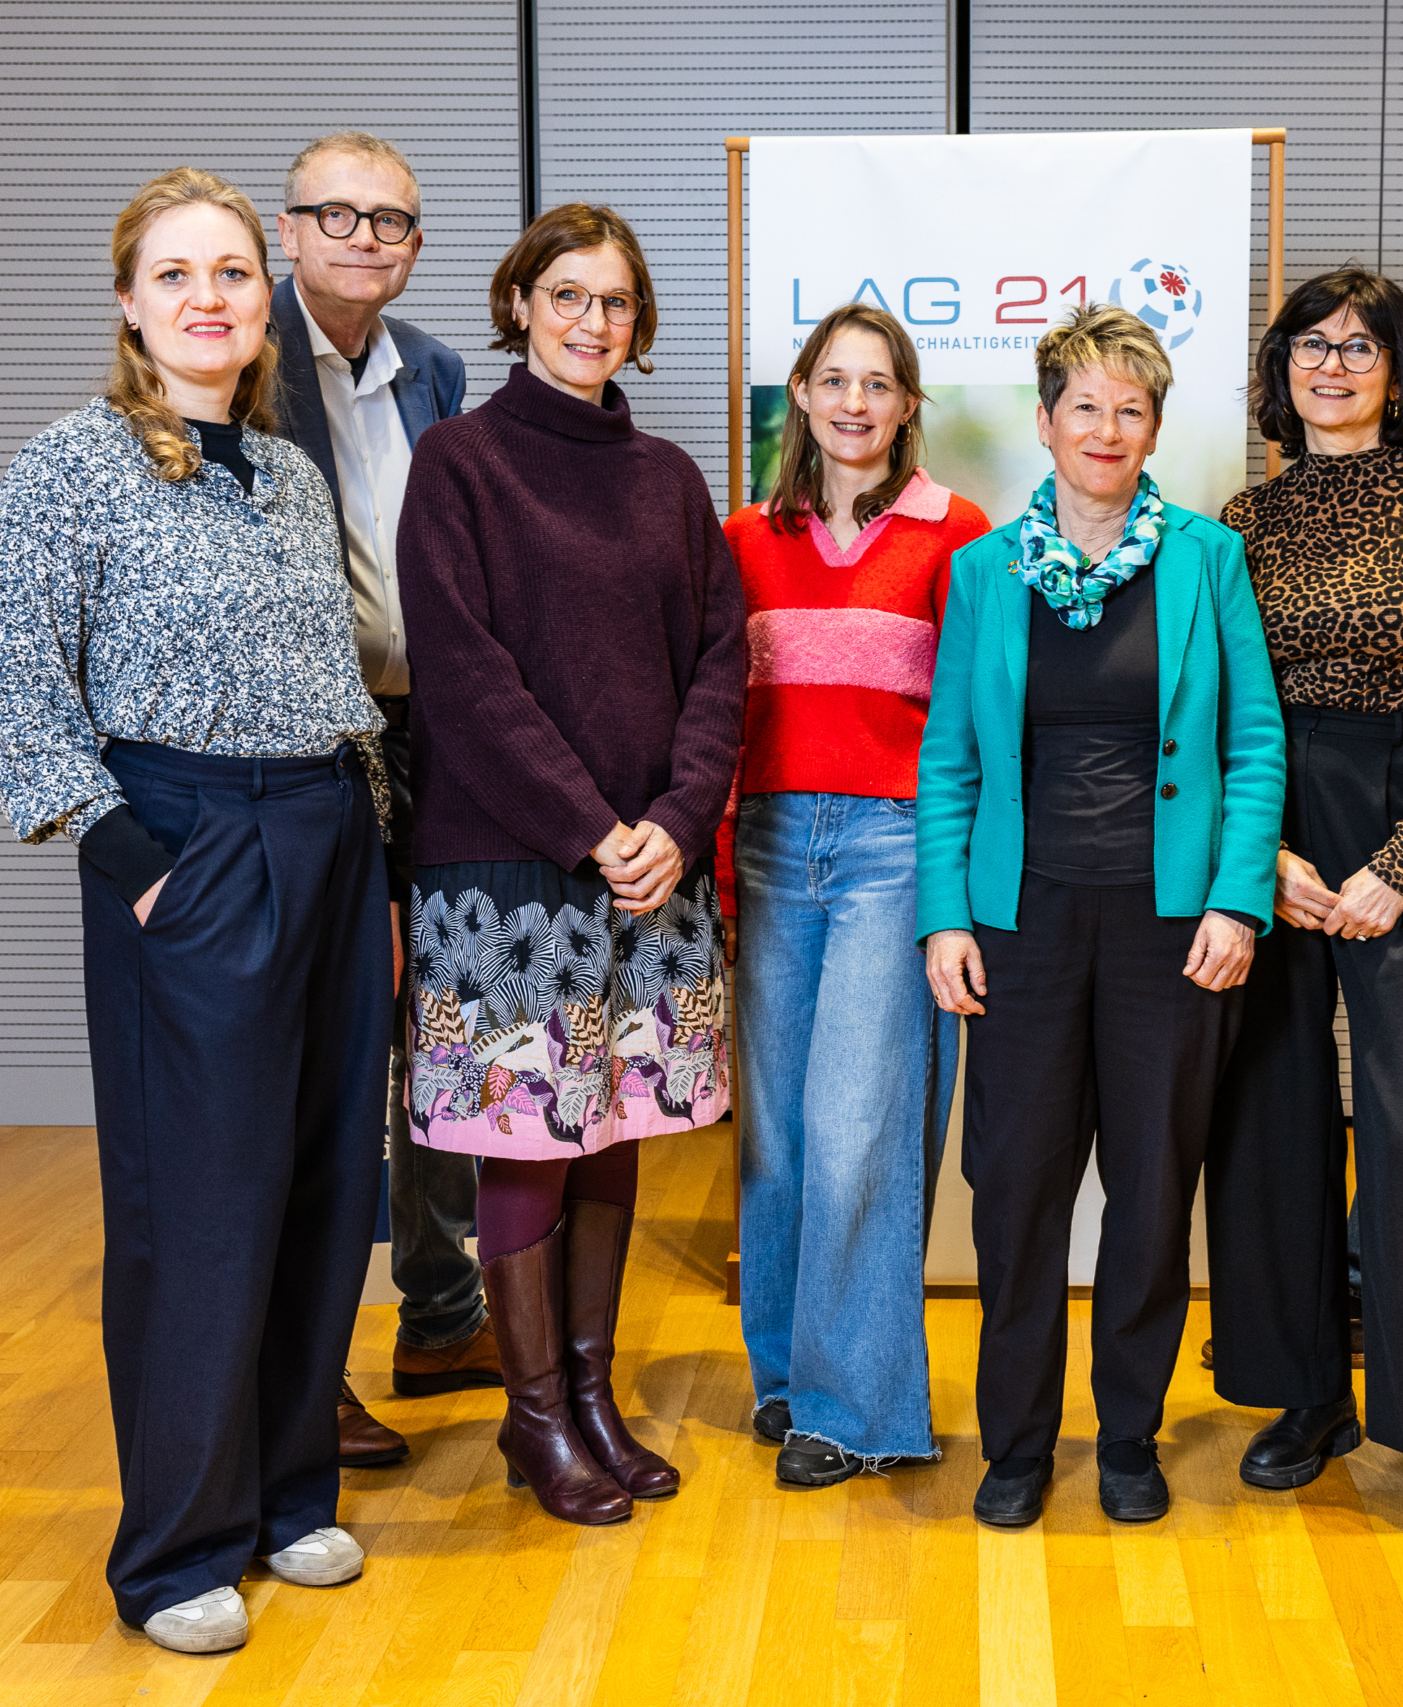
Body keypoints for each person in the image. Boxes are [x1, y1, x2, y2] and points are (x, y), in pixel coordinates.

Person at [0, 166, 389, 1655]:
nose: (209, 295)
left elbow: (334, 685)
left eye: (228, 270)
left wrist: (372, 854)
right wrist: (132, 855)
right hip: (195, 842)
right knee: (197, 1202)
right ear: (130, 304)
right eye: (176, 273)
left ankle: (287, 1493)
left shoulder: (282, 468)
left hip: (333, 831)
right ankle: (175, 1547)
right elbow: (22, 694)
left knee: (329, 1179)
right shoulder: (68, 466)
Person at [398, 202, 746, 1526]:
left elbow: (720, 655)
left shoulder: (666, 478)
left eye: (614, 300)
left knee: (619, 1123)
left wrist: (677, 811)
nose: (592, 319)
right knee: (526, 1133)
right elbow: (465, 674)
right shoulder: (462, 463)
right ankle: (533, 1412)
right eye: (567, 295)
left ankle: (592, 1390)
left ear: (637, 324)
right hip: (507, 870)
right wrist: (591, 825)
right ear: (522, 304)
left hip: (655, 863)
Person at [918, 303, 1285, 1530]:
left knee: (1148, 1180)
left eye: (1132, 409)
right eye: (1086, 406)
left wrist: (1237, 897)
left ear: (1154, 428)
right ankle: (1016, 1440)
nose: (1108, 428)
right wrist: (944, 916)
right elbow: (950, 762)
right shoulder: (979, 572)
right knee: (1014, 1182)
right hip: (1018, 922)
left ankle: (1128, 1431)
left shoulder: (1205, 559)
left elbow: (1251, 740)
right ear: (1044, 421)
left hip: (1166, 925)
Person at [1204, 268, 1403, 1567]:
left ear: (1399, 371)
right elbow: (1222, 703)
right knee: (1271, 1119)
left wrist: (1401, 859)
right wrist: (1264, 851)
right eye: (1311, 345)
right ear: (1281, 370)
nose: (1333, 365)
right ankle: (1308, 1390)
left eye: (1361, 345)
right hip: (1275, 828)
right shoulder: (1242, 516)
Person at [724, 303, 985, 1486]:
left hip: (893, 850)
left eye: (879, 384)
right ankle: (785, 1377)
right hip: (774, 845)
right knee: (775, 1142)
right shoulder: (744, 539)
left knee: (857, 1132)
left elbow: (972, 728)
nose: (855, 404)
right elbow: (721, 718)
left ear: (908, 404)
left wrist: (953, 890)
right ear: (802, 394)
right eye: (834, 380)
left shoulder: (955, 536)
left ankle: (858, 1407)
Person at [268, 129, 484, 1469]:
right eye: (336, 214)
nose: (363, 237)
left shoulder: (440, 373)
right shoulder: (242, 361)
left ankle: (444, 1313)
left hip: (437, 738)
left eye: (389, 219)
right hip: (310, 753)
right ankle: (310, 1363)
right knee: (333, 1047)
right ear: (289, 230)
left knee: (446, 1027)